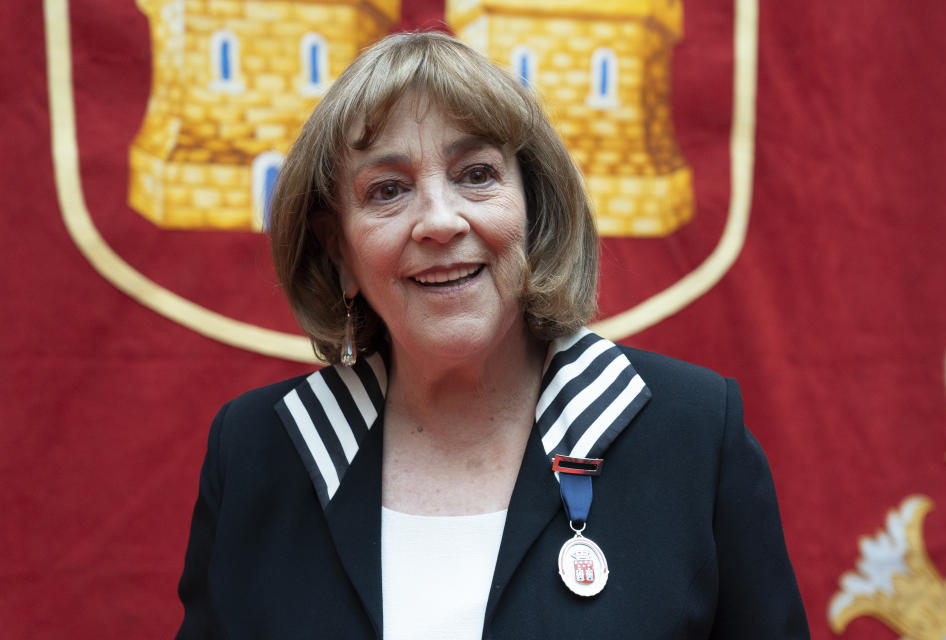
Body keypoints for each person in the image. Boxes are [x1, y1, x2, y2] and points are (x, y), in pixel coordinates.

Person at [176, 31, 809, 639]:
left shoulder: (693, 433)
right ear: (336, 248)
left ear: (533, 209)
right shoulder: (259, 451)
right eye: (388, 190)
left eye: (476, 174)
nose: (440, 221)